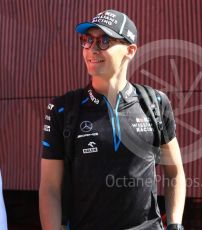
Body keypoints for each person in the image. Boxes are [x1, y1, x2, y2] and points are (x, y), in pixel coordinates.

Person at [39, 9, 186, 230]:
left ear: (130, 50)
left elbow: (174, 171)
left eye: (104, 40)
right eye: (87, 40)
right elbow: (50, 187)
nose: (92, 49)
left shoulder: (155, 102)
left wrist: (175, 225)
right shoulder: (63, 109)